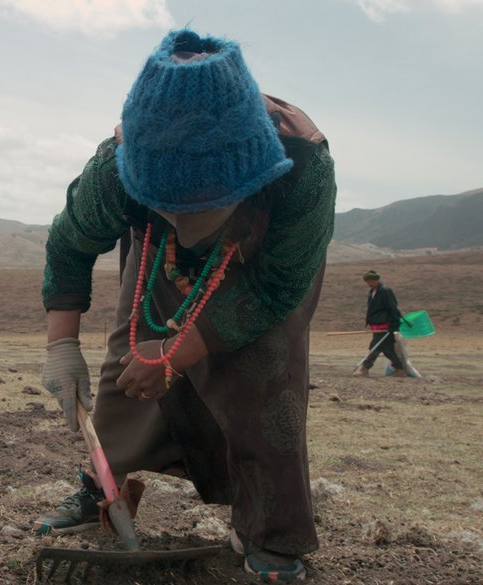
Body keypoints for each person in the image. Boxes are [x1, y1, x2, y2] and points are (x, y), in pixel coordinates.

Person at [36, 29, 336, 582]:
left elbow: (278, 286)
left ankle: (268, 531)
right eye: (171, 205)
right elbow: (69, 243)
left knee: (265, 367)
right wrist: (61, 346)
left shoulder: (302, 164)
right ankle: (103, 485)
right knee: (128, 350)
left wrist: (179, 352)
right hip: (155, 253)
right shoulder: (116, 169)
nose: (188, 223)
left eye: (202, 207)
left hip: (259, 266)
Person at [353, 270, 405, 377]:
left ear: (377, 280)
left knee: (375, 346)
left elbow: (393, 309)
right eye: (367, 281)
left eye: (371, 281)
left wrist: (394, 325)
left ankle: (364, 368)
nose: (369, 284)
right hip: (376, 325)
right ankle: (400, 369)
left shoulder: (385, 291)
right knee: (387, 349)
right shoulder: (372, 292)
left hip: (385, 326)